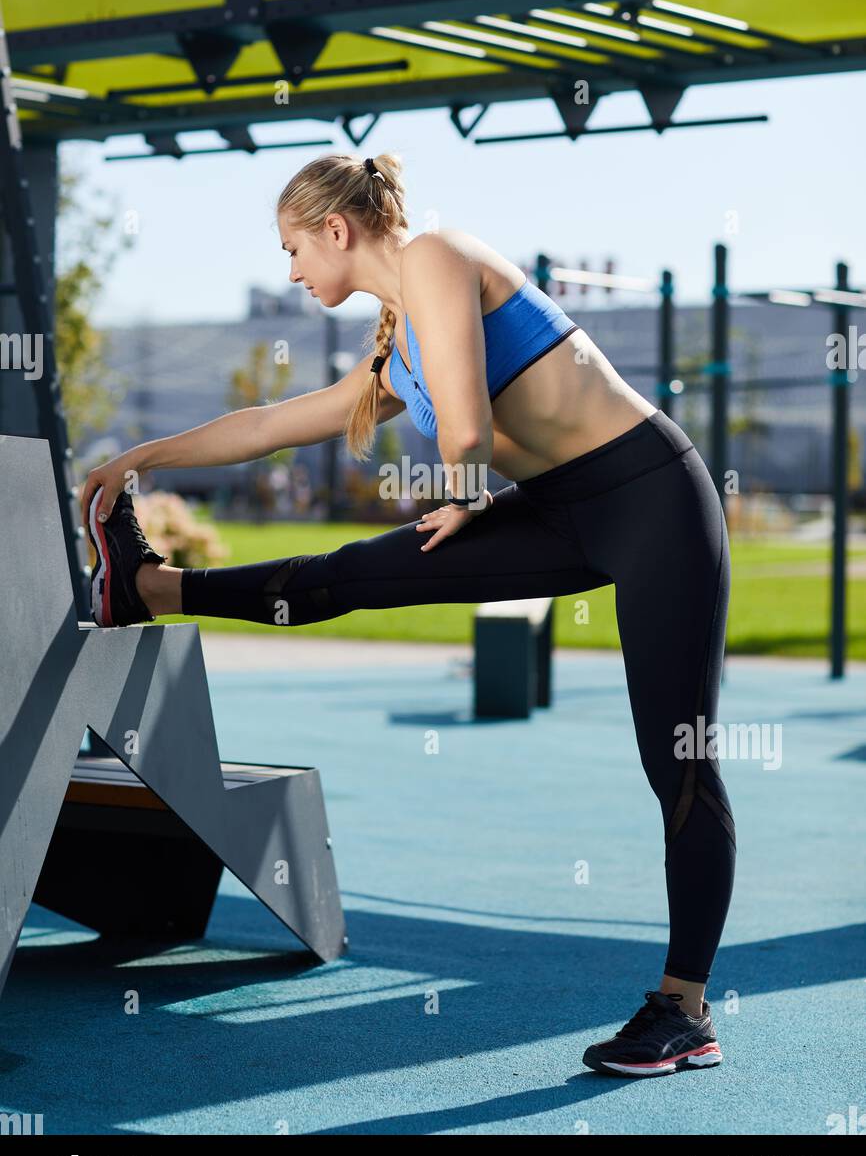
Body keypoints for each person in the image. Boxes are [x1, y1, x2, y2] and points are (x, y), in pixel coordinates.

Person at [80, 151, 736, 1078]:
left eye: (293, 249)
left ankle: (684, 1009)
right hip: (559, 511)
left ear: (336, 229)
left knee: (676, 758)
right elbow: (271, 423)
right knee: (353, 574)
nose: (293, 272)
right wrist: (142, 455)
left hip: (653, 499)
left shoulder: (435, 256)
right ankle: (148, 591)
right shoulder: (397, 342)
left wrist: (465, 492)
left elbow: (466, 429)